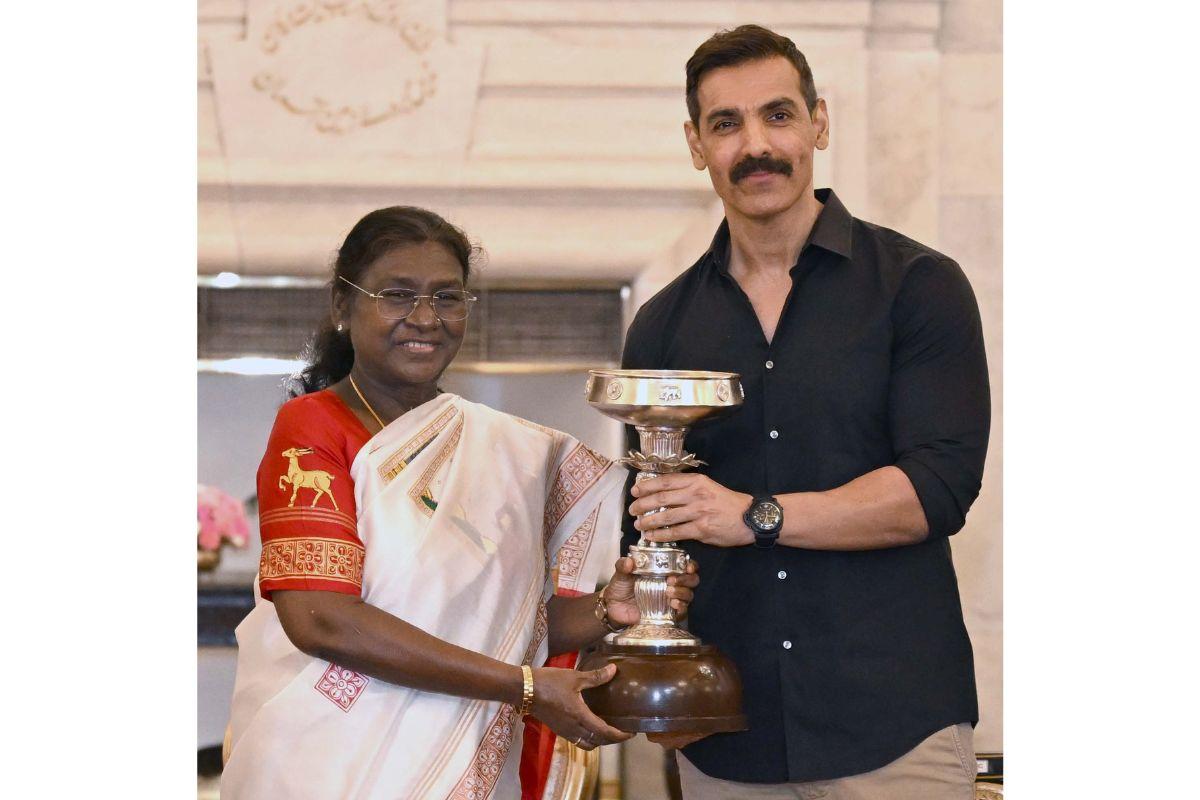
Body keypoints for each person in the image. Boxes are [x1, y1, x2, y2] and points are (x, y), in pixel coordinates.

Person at [620, 25, 990, 799]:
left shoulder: (919, 286)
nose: (756, 145)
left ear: (818, 123)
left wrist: (753, 515)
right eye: (726, 124)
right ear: (696, 144)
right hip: (725, 735)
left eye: (778, 115)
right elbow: (652, 523)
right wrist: (639, 589)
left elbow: (937, 490)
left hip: (894, 726)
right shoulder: (661, 327)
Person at [222, 206, 699, 799]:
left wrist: (607, 609)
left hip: (461, 747)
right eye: (397, 295)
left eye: (447, 297)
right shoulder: (314, 426)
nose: (425, 318)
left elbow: (503, 626)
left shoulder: (500, 448)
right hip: (331, 757)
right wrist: (524, 689)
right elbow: (320, 619)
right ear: (344, 307)